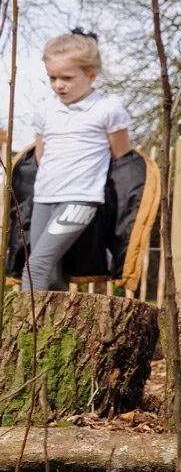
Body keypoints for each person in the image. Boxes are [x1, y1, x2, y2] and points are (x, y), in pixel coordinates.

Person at [22, 32, 132, 293]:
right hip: (44, 197)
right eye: (52, 78)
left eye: (67, 78)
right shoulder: (46, 110)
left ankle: (24, 332)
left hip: (80, 199)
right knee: (50, 275)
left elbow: (122, 157)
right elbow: (41, 154)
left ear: (91, 75)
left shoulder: (108, 109)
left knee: (35, 266)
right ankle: (54, 333)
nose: (59, 85)